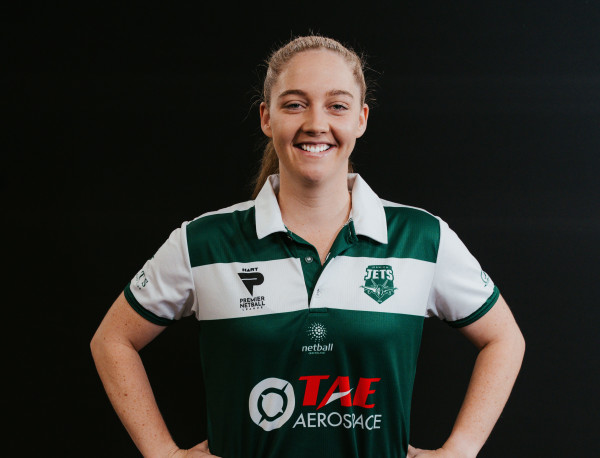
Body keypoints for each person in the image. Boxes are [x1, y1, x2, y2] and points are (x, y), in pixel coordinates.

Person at [91, 35, 525, 458]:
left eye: (337, 105)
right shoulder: (203, 241)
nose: (316, 123)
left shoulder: (421, 237)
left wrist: (460, 450)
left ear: (361, 119)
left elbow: (504, 338)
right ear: (267, 118)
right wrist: (163, 452)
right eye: (295, 104)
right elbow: (112, 340)